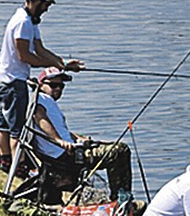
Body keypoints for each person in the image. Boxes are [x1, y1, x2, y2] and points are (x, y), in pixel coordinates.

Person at [0, 0, 82, 173]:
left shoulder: (30, 22)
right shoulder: (23, 22)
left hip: (7, 78)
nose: (47, 9)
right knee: (17, 129)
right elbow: (25, 56)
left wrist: (63, 64)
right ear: (35, 1)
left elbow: (40, 49)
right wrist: (53, 64)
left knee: (5, 124)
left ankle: (6, 161)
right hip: (12, 81)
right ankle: (18, 167)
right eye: (46, 5)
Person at [31, 67, 132, 203]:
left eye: (61, 86)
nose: (58, 89)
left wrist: (77, 138)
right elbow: (39, 117)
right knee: (118, 151)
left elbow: (60, 130)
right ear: (41, 84)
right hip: (63, 156)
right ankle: (120, 201)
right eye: (53, 85)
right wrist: (58, 140)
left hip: (69, 150)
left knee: (111, 147)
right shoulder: (40, 99)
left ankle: (121, 198)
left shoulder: (49, 103)